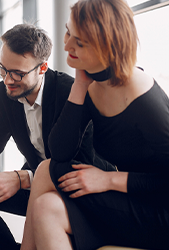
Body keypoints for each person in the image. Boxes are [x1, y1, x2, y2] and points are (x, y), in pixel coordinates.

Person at [21, 0, 169, 249]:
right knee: (46, 202)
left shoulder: (143, 100)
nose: (67, 45)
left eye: (79, 42)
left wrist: (109, 180)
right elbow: (60, 152)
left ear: (106, 48)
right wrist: (79, 86)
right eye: (69, 32)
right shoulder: (94, 83)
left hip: (159, 215)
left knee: (47, 172)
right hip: (131, 199)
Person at [0, 23, 113, 250]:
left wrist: (22, 178)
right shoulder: (6, 93)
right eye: (3, 68)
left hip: (75, 191)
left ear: (42, 68)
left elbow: (81, 165)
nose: (8, 80)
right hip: (37, 183)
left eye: (18, 73)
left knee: (42, 201)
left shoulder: (70, 94)